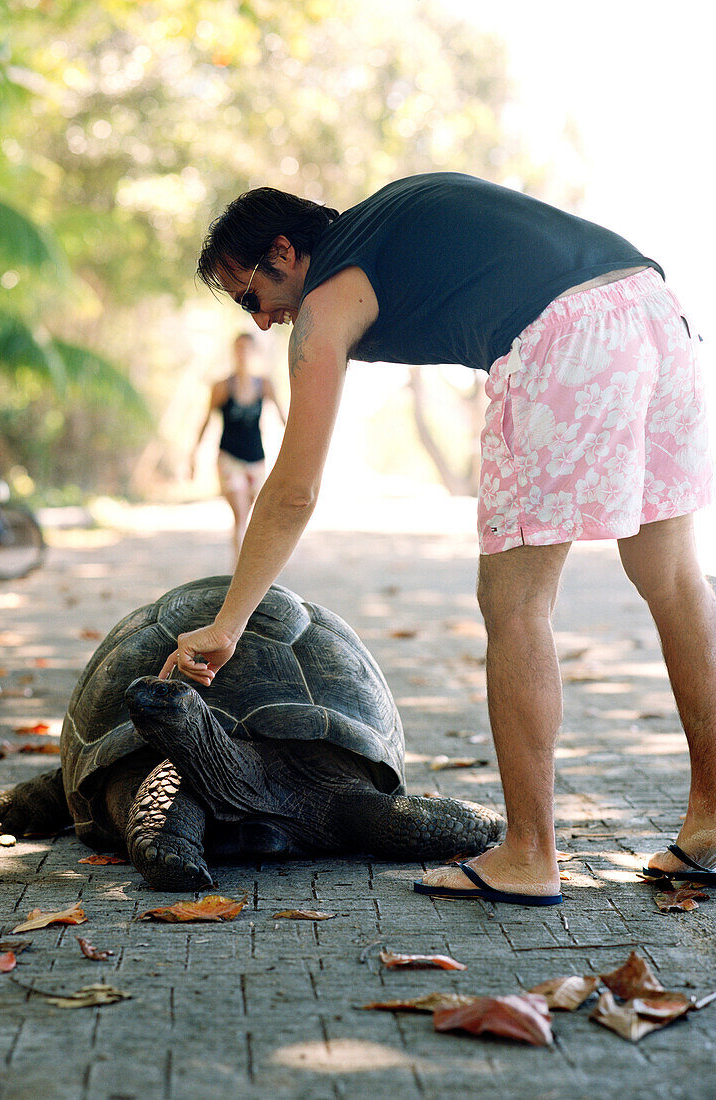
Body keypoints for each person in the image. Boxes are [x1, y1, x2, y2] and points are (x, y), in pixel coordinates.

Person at [162, 172, 716, 906]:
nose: (260, 321)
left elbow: (292, 489)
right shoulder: (383, 225)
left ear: (284, 252)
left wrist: (228, 622)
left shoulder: (324, 301)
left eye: (248, 297)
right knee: (674, 579)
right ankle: (710, 823)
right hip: (653, 308)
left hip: (566, 335)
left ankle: (527, 854)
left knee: (513, 601)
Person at [190, 332, 286, 564]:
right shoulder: (222, 387)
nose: (242, 353)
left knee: (255, 518)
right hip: (229, 459)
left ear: (254, 352)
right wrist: (192, 455)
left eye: (246, 348)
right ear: (233, 352)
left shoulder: (264, 385)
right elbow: (206, 420)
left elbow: (284, 419)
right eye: (238, 348)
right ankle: (240, 570)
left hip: (256, 460)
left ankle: (249, 566)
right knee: (241, 516)